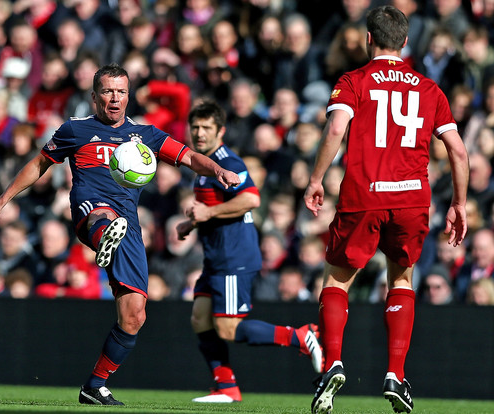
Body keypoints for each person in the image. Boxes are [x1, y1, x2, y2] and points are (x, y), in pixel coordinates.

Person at [0, 63, 241, 406]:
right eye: (107, 91)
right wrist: (1, 201)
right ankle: (104, 236)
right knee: (102, 214)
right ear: (94, 97)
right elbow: (39, 165)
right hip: (92, 210)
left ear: (129, 96)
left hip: (129, 226)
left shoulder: (145, 135)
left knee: (134, 315)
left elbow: (189, 156)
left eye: (121, 92)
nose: (114, 98)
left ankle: (95, 385)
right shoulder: (75, 130)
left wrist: (219, 168)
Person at [303, 6, 469, 414]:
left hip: (364, 195)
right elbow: (459, 153)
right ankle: (396, 373)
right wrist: (460, 204)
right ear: (406, 42)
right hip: (412, 198)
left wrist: (315, 178)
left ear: (368, 39)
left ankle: (334, 363)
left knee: (337, 279)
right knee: (402, 279)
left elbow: (337, 129)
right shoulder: (430, 89)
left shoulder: (354, 81)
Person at [176, 102, 322, 403]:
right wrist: (189, 224)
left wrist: (206, 213)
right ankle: (226, 387)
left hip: (233, 256)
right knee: (201, 319)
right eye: (196, 127)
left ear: (221, 131)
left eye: (206, 128)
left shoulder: (228, 162)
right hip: (215, 256)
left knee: (229, 329)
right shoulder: (203, 166)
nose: (199, 133)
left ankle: (300, 337)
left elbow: (251, 199)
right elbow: (210, 211)